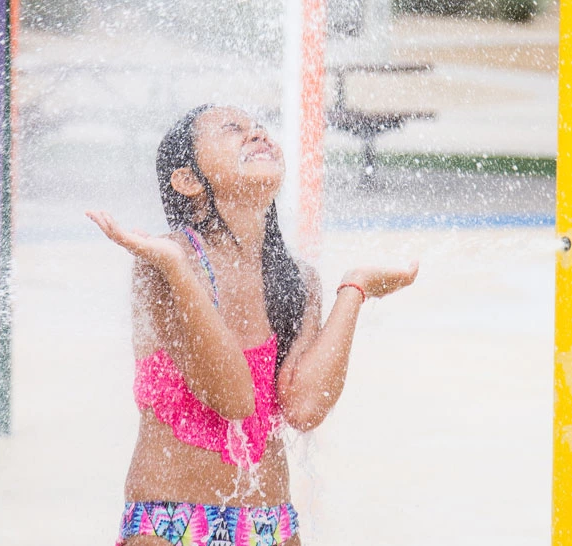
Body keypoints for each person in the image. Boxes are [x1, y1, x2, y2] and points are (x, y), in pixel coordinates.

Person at [87, 104, 419, 546]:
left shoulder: (297, 280)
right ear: (188, 180)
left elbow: (303, 408)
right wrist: (178, 269)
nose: (257, 134)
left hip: (270, 523)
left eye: (260, 128)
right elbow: (234, 397)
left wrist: (353, 291)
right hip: (170, 520)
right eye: (233, 130)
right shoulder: (164, 260)